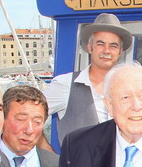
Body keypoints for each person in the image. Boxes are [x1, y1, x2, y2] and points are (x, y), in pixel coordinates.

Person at [43, 13, 132, 149]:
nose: (106, 50)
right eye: (100, 44)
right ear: (90, 47)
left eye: (113, 46)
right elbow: (29, 117)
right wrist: (51, 158)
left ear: (120, 52)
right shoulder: (65, 84)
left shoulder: (130, 88)